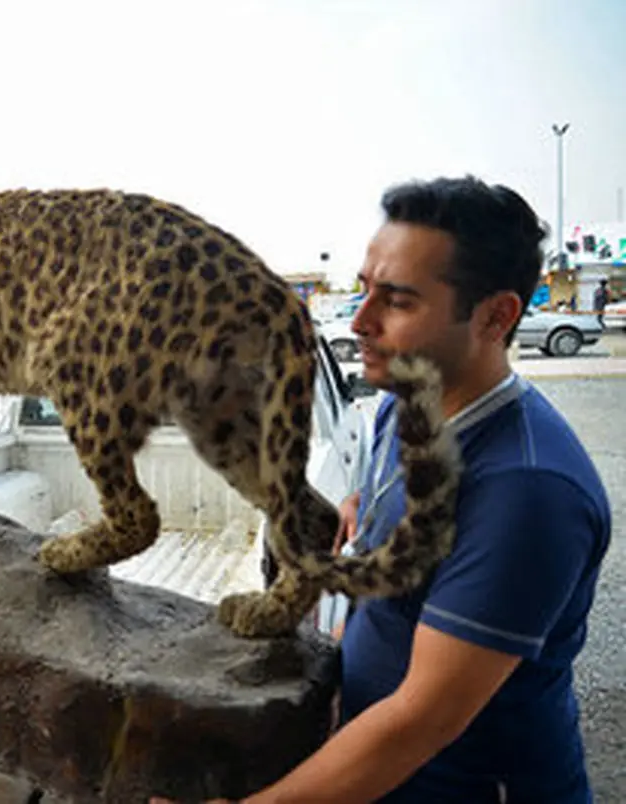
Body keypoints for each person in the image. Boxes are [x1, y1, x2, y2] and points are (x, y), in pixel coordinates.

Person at [152, 176, 611, 804]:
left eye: (396, 301)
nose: (359, 321)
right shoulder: (406, 404)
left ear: (496, 315)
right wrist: (359, 511)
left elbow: (421, 723)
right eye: (364, 289)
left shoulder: (527, 492)